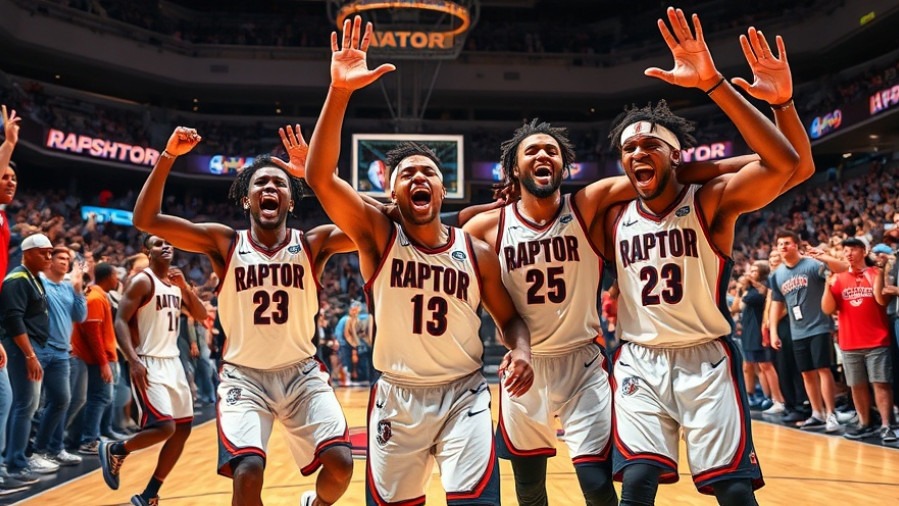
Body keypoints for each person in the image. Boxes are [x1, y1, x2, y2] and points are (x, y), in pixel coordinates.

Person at [303, 16, 534, 505]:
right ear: (390, 191)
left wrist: (521, 351)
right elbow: (320, 177)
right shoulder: (376, 234)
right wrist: (339, 91)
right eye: (406, 173)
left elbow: (510, 318)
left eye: (428, 171)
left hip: (464, 394)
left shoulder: (477, 251)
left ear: (442, 187)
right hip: (398, 396)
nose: (418, 178)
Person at [600, 12, 812, 505]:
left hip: (705, 357)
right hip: (638, 359)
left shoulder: (711, 201)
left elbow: (792, 166)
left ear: (676, 156)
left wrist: (725, 87)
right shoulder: (608, 213)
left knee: (734, 491)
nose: (637, 152)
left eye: (651, 143)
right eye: (628, 147)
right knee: (636, 482)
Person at [132, 127, 356, 506]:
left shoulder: (313, 243)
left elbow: (379, 223)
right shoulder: (225, 243)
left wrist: (323, 179)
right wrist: (168, 155)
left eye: (280, 184)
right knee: (248, 470)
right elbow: (146, 219)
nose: (270, 188)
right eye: (261, 183)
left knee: (341, 464)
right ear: (246, 200)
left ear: (291, 201)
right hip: (244, 378)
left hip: (301, 375)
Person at [99, 234, 207, 506]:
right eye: (158, 243)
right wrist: (133, 359)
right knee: (164, 427)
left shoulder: (174, 282)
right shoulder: (141, 281)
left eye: (168, 243)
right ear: (147, 251)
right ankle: (116, 449)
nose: (166, 246)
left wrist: (185, 288)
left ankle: (149, 495)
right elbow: (120, 321)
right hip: (148, 360)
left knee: (183, 429)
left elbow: (202, 314)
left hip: (173, 362)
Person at [769, 230, 846, 432]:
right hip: (797, 331)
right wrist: (773, 332)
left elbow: (843, 268)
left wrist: (824, 257)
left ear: (796, 245)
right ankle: (817, 413)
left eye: (787, 243)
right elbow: (776, 304)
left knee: (823, 370)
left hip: (819, 326)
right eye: (780, 244)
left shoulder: (812, 265)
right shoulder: (777, 274)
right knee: (807, 374)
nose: (783, 247)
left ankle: (831, 414)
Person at [822, 238, 896, 442]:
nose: (848, 253)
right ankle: (864, 423)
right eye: (845, 250)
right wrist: (828, 286)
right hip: (849, 342)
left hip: (876, 340)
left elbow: (882, 300)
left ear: (863, 251)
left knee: (881, 383)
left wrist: (880, 274)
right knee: (857, 385)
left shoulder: (874, 274)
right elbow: (828, 309)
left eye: (853, 249)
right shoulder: (838, 278)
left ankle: (887, 425)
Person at [33, 247, 87, 467]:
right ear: (50, 261)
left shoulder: (68, 287)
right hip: (39, 349)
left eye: (68, 259)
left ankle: (52, 449)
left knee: (62, 402)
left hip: (62, 352)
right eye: (61, 258)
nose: (65, 262)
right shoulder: (40, 283)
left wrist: (78, 289)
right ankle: (29, 453)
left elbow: (80, 316)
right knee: (31, 404)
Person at [732, 261, 785, 415]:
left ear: (762, 272)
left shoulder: (763, 288)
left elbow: (760, 295)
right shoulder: (749, 289)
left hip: (758, 331)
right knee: (755, 366)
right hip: (749, 330)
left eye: (755, 270)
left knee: (765, 366)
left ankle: (776, 399)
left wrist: (748, 283)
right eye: (751, 270)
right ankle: (760, 396)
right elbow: (735, 308)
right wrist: (741, 289)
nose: (750, 273)